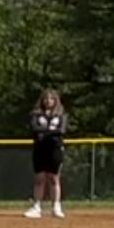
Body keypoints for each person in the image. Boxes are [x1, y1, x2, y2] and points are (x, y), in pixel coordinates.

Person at [25, 90, 67, 219]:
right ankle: (37, 206)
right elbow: (34, 129)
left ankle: (56, 207)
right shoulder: (36, 115)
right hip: (40, 149)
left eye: (51, 99)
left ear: (55, 101)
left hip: (54, 149)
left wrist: (45, 133)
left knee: (54, 178)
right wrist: (50, 132)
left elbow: (62, 130)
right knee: (40, 178)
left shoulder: (61, 115)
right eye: (46, 99)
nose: (48, 101)